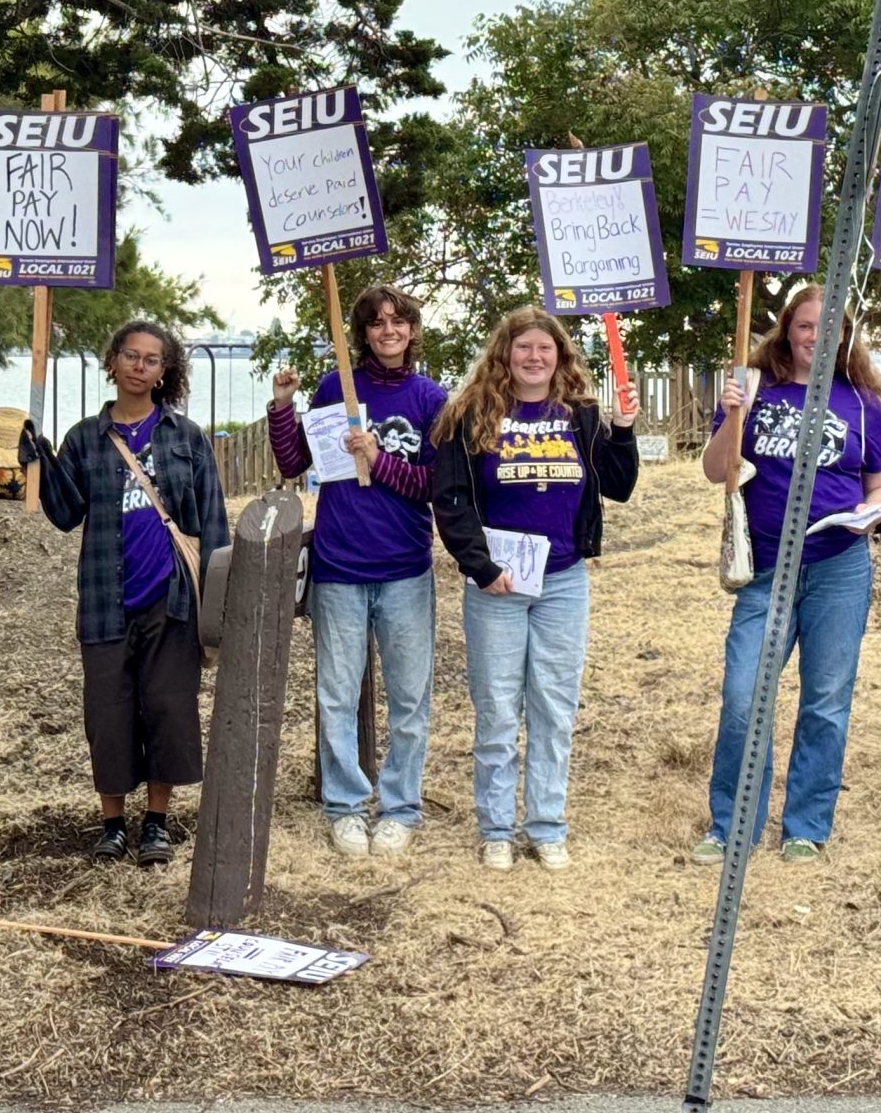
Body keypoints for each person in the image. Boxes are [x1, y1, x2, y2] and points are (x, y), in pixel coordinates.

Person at [694, 284, 881, 864]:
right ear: (788, 330)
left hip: (839, 567)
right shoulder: (755, 389)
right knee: (742, 698)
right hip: (765, 568)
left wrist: (873, 512)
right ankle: (731, 825)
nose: (817, 336)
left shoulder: (862, 403)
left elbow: (878, 484)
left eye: (830, 327)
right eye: (807, 325)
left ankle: (805, 826)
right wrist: (734, 416)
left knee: (825, 702)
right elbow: (715, 471)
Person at [431, 307, 639, 870]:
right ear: (504, 353)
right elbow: (450, 499)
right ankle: (496, 828)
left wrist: (622, 430)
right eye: (523, 347)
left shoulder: (581, 415)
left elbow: (619, 487)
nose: (533, 357)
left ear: (560, 355)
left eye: (544, 348)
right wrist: (480, 567)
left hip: (563, 581)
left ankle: (546, 824)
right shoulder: (470, 413)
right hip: (497, 585)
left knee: (553, 707)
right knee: (497, 708)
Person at [25, 320, 230, 866]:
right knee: (109, 714)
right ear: (112, 361)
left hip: (172, 600)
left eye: (152, 359)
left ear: (165, 371)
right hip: (104, 599)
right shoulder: (84, 439)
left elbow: (212, 524)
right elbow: (65, 514)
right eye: (131, 356)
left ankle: (157, 822)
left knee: (167, 708)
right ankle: (113, 823)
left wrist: (217, 600)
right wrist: (39, 461)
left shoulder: (186, 438)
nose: (141, 367)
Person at [267, 284, 448, 859]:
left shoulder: (431, 399)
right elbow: (297, 462)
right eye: (376, 323)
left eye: (398, 321)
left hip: (404, 568)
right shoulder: (337, 387)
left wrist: (378, 458)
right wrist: (281, 406)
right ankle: (344, 806)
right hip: (340, 565)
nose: (388, 331)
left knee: (409, 698)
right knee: (337, 695)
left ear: (413, 331)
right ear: (364, 333)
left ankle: (399, 807)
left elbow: (434, 488)